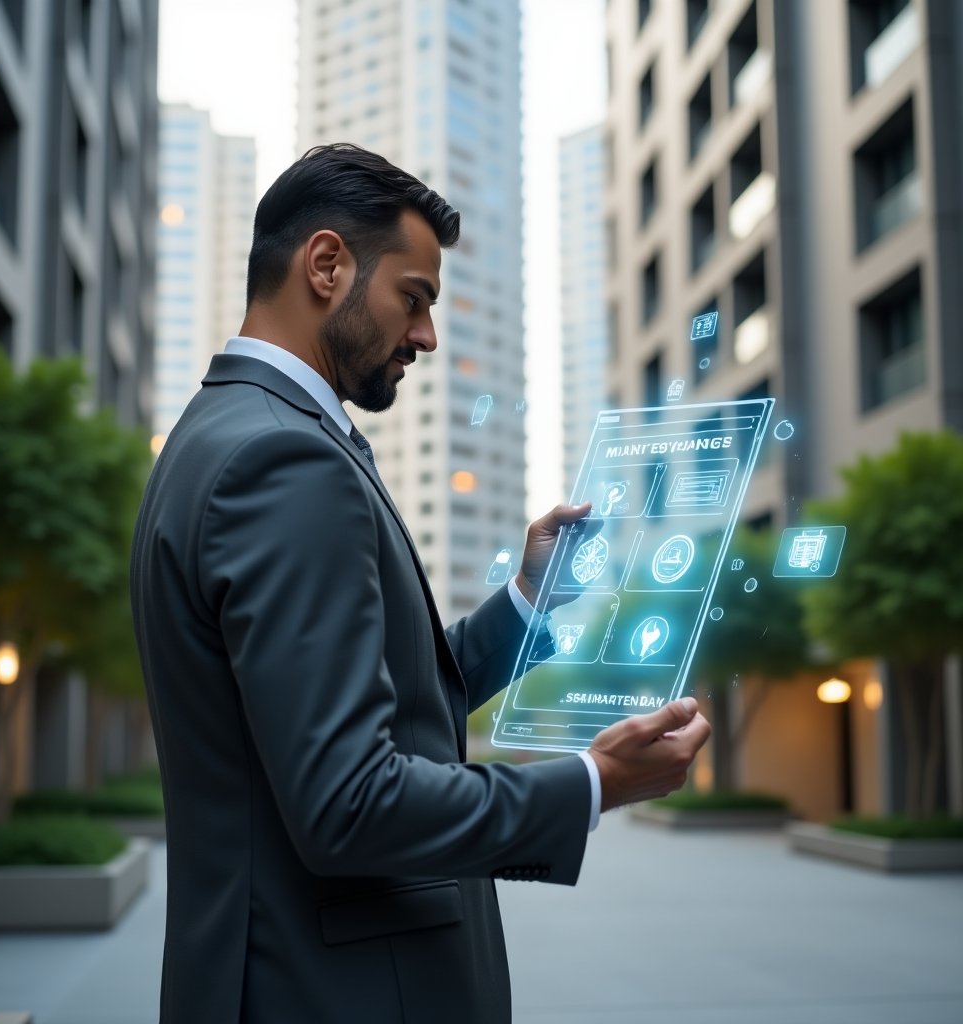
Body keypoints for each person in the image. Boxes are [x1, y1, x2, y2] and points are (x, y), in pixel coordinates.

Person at [130, 143, 711, 1024]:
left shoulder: (224, 435)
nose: (426, 337)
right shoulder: (283, 459)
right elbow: (349, 803)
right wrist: (591, 782)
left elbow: (373, 698)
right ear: (326, 265)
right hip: (334, 993)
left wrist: (524, 601)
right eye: (415, 297)